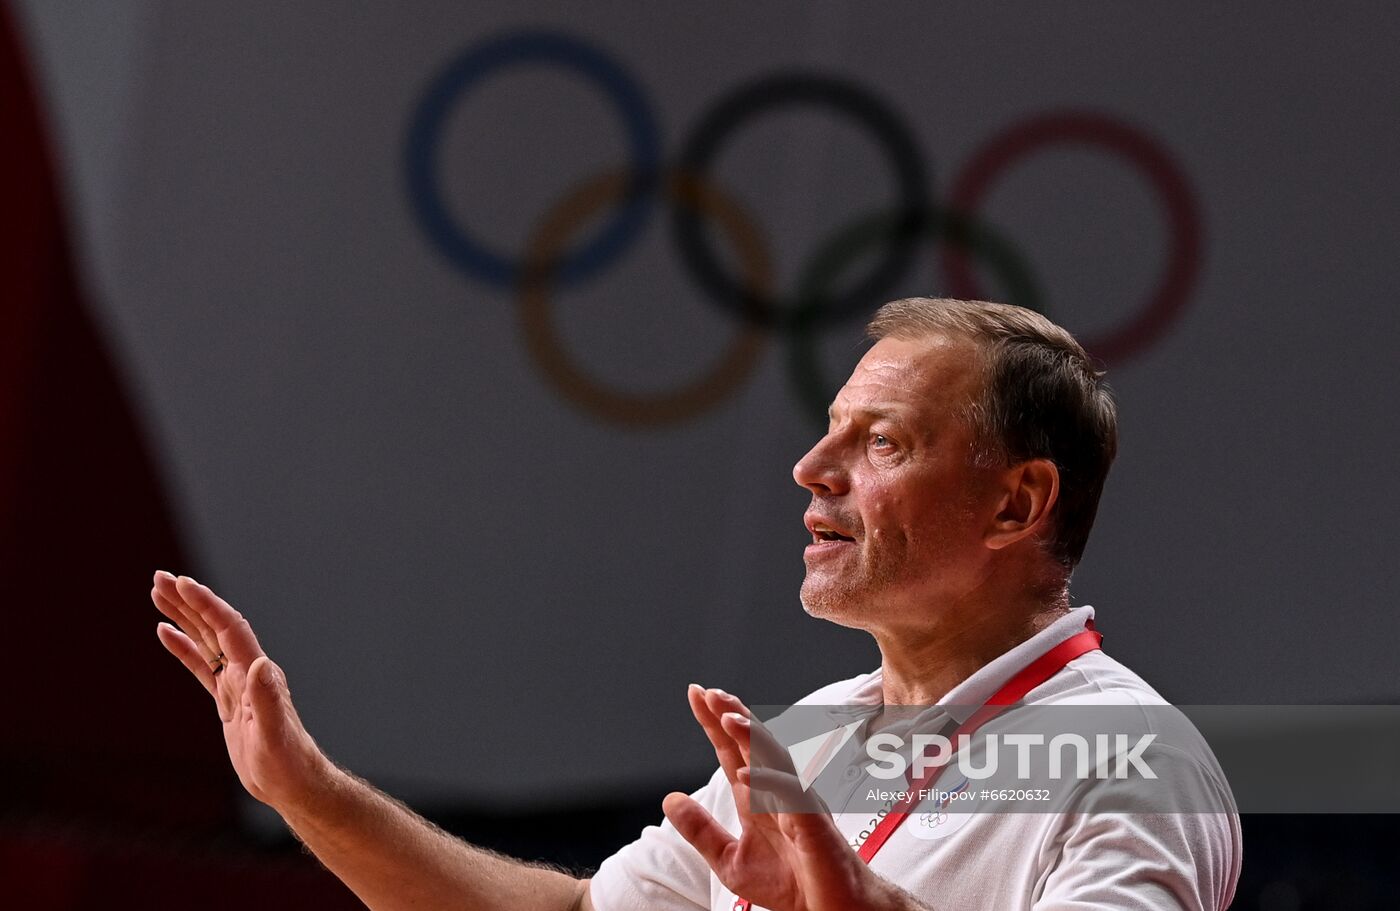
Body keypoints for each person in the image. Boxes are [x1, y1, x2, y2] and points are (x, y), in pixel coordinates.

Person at [152, 297, 1240, 910]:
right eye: (828, 428)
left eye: (881, 443)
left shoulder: (1131, 758)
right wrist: (311, 794)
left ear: (1017, 500)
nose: (812, 467)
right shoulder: (810, 739)